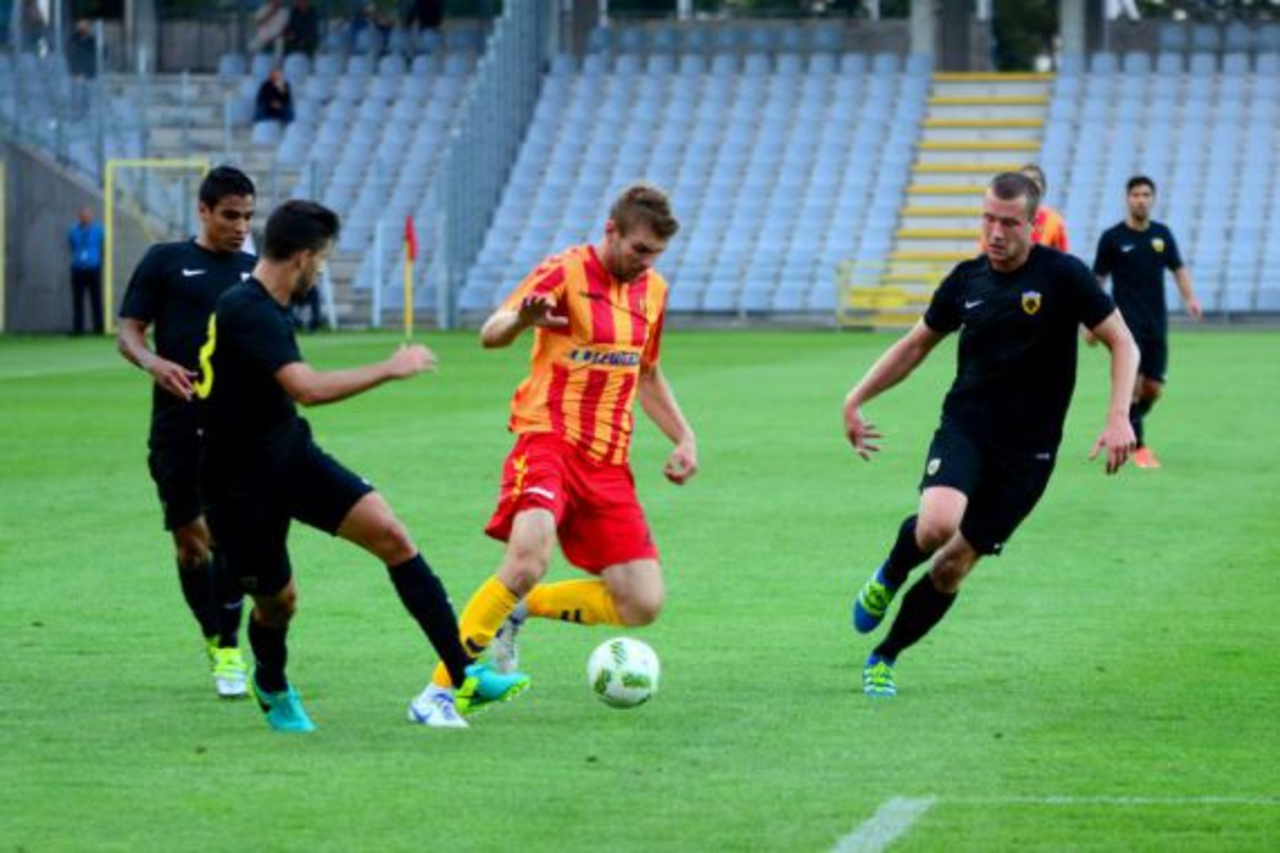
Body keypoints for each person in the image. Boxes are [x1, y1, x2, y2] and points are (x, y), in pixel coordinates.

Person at [197, 200, 528, 732]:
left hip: (290, 455)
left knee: (393, 537)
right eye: (323, 259)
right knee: (278, 604)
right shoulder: (248, 308)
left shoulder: (267, 304)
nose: (321, 270)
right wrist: (391, 368)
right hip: (239, 487)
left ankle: (464, 673)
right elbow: (306, 387)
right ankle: (272, 684)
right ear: (303, 257)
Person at [844, 172, 1140, 699]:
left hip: (1029, 454)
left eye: (1009, 223)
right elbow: (914, 346)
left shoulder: (1064, 276)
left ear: (1033, 223)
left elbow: (1124, 343)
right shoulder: (966, 280)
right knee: (937, 525)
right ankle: (889, 574)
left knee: (952, 566)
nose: (996, 232)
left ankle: (885, 656)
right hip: (968, 426)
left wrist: (1120, 416)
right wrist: (856, 397)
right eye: (988, 219)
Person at [413, 183, 697, 707]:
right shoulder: (565, 271)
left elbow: (647, 372)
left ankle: (520, 609)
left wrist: (684, 436)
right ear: (611, 231)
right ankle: (441, 691)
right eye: (639, 249)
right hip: (548, 439)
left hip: (608, 461)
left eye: (655, 254)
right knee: (527, 558)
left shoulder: (653, 290)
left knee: (642, 602)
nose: (645, 263)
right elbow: (491, 332)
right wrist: (524, 320)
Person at [117, 166, 258, 699]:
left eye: (248, 217)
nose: (241, 227)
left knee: (230, 540)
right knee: (191, 543)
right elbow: (129, 332)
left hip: (236, 428)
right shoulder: (165, 261)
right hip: (176, 425)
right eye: (230, 215)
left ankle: (230, 647)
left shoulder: (255, 272)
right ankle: (214, 635)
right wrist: (154, 362)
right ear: (203, 210)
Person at [1092, 176, 1202, 469]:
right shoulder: (1112, 238)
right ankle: (1139, 447)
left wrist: (1190, 298)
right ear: (1127, 199)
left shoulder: (1162, 235)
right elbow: (1097, 279)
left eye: (1146, 194)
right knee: (1134, 384)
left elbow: (1178, 269)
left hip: (1156, 322)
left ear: (1153, 199)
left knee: (1153, 389)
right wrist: (1089, 319)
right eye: (1136, 194)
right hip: (1124, 325)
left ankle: (1124, 422)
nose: (1141, 200)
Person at [978, 164, 1068, 253]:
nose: (1030, 182)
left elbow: (1062, 254)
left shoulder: (1054, 220)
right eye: (1025, 179)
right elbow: (986, 251)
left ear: (1043, 187)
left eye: (1035, 179)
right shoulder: (1000, 215)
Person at [67, 205, 104, 336]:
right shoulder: (73, 230)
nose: (85, 218)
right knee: (77, 300)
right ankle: (78, 330)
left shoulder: (99, 230)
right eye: (82, 216)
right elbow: (71, 246)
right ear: (79, 217)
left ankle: (99, 329)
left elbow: (102, 247)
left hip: (93, 268)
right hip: (77, 269)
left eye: (87, 216)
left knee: (96, 299)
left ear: (91, 217)